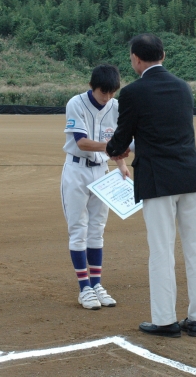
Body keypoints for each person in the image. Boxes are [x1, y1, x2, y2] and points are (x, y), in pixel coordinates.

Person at [106, 33, 196, 338]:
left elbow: (122, 137)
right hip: (191, 175)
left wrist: (115, 149)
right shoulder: (183, 87)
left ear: (136, 59)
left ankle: (165, 320)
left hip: (158, 179)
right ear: (163, 55)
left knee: (162, 250)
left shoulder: (133, 92)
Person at [61, 64, 129, 310]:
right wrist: (112, 148)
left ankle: (96, 284)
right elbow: (82, 142)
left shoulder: (116, 106)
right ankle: (84, 288)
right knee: (78, 229)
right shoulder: (76, 103)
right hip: (76, 171)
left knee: (97, 229)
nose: (108, 97)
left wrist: (121, 164)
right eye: (103, 92)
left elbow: (118, 141)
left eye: (112, 92)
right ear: (92, 86)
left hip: (102, 171)